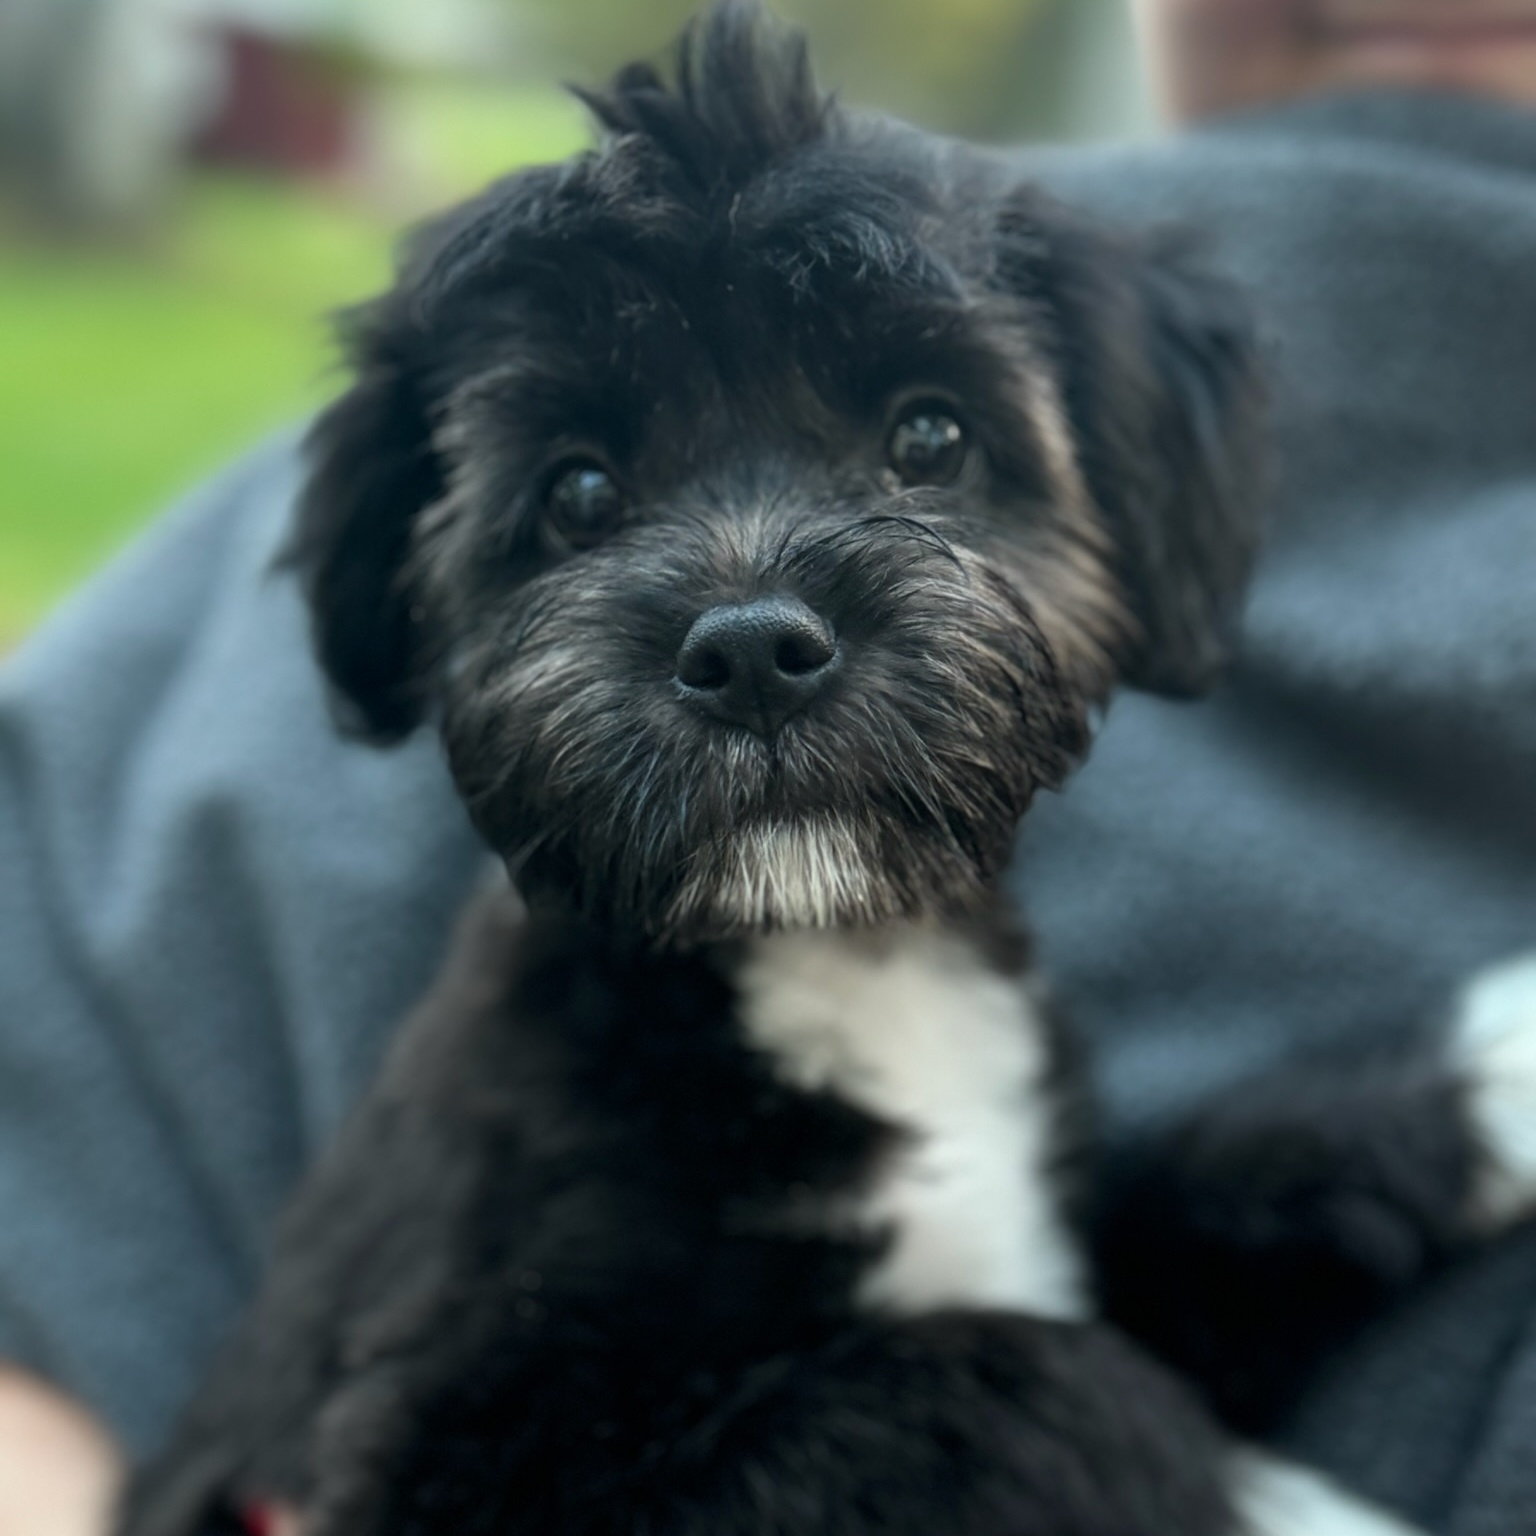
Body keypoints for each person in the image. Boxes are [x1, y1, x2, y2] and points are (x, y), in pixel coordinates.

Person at [2, 1, 1534, 1531]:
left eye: (925, 445)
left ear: (1146, 514)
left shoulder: (976, 1036)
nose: (752, 621)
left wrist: (1454, 1117)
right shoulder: (561, 1151)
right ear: (403, 612)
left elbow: (1024, 1304)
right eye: (585, 496)